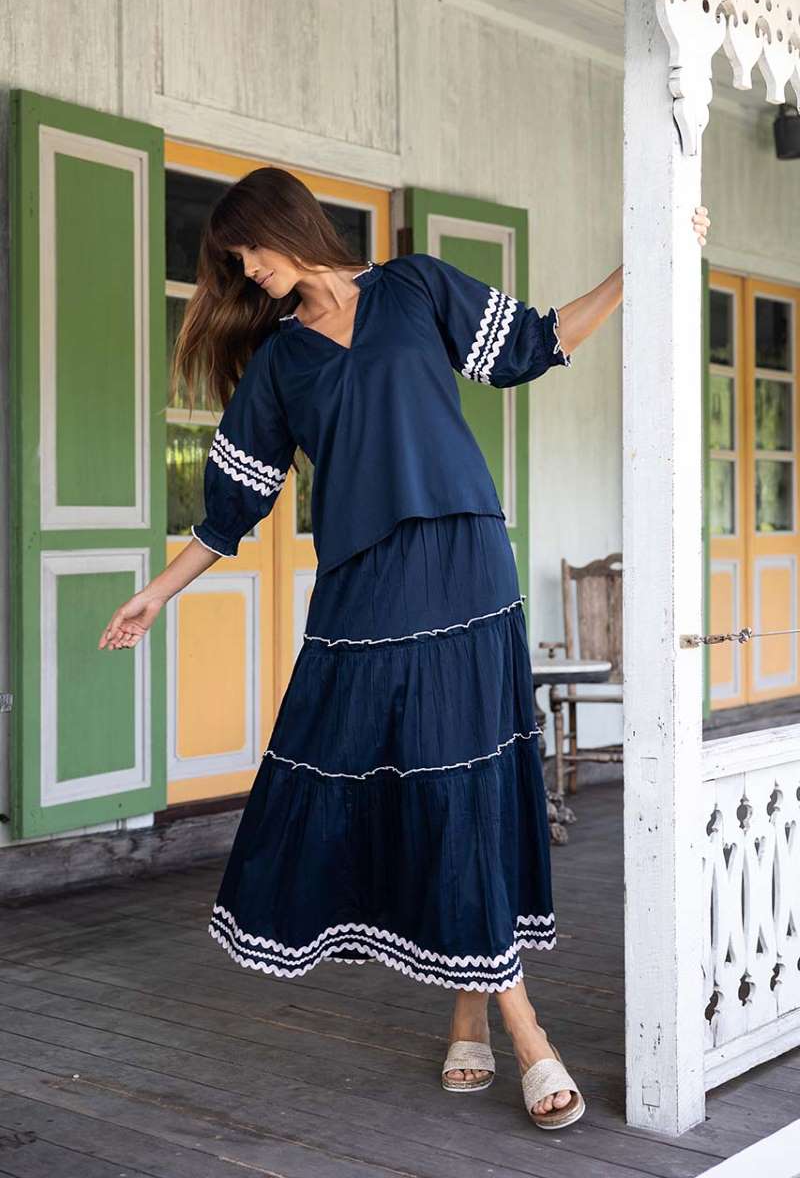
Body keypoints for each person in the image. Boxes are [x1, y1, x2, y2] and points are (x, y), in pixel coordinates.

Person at [99, 168, 710, 1130]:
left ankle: (485, 1015)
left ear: (281, 228)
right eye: (233, 265)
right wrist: (157, 594)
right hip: (364, 589)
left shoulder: (416, 288)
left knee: (461, 778)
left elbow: (540, 344)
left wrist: (642, 270)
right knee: (420, 779)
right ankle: (525, 1031)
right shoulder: (279, 366)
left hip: (466, 563)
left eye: (245, 252)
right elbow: (230, 512)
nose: (245, 272)